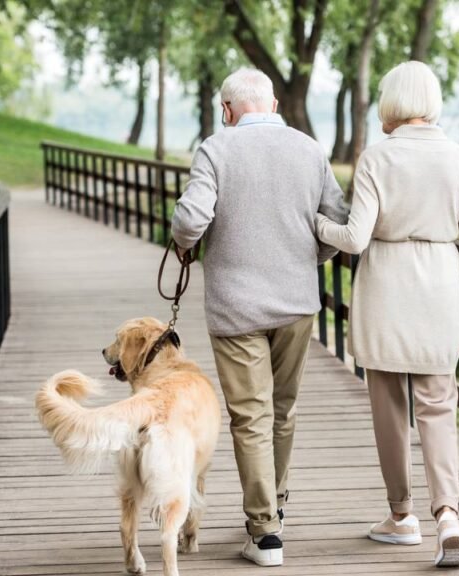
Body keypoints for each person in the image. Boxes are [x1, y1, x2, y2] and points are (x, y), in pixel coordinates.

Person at [170, 68, 349, 567]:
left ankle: (265, 532)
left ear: (227, 110)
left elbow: (189, 221)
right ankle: (276, 507)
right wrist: (306, 260)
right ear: (272, 105)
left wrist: (187, 246)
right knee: (283, 411)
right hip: (297, 303)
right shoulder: (309, 149)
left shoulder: (216, 148)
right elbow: (337, 221)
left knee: (251, 415)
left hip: (236, 308)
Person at [314, 60, 459, 568]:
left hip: (386, 289)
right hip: (440, 287)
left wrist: (315, 223)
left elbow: (354, 238)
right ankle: (448, 515)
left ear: (392, 102)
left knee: (389, 408)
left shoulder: (377, 158)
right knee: (438, 406)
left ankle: (401, 516)